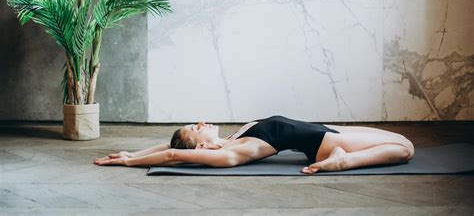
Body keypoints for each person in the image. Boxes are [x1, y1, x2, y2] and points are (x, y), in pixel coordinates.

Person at [94, 115, 415, 174]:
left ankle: (344, 158)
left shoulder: (230, 140)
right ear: (200, 149)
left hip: (322, 129)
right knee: (405, 149)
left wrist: (133, 152)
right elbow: (175, 153)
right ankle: (343, 162)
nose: (202, 122)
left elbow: (168, 148)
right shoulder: (233, 153)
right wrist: (129, 163)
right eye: (196, 127)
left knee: (399, 139)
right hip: (326, 143)